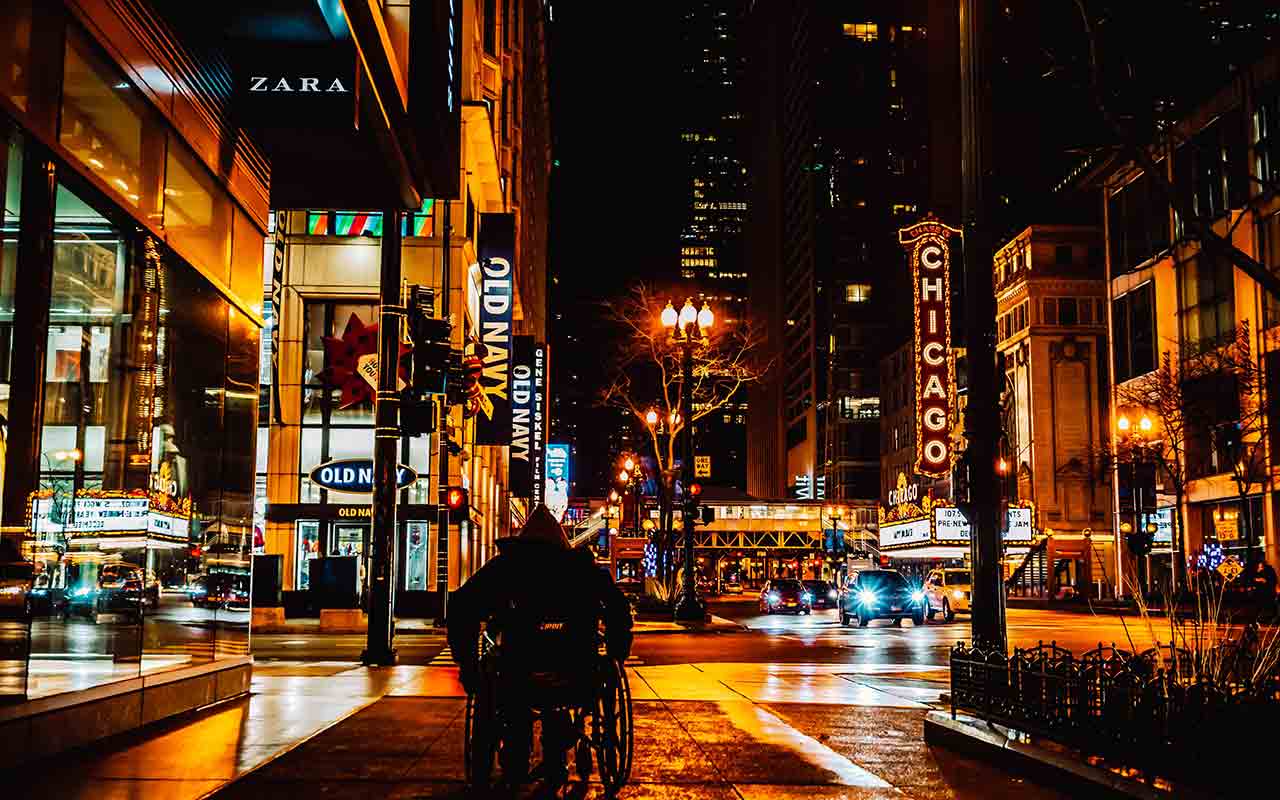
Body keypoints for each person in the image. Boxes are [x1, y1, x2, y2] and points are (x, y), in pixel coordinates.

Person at [448, 505, 633, 787]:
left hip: (517, 668)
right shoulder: (583, 571)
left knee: (509, 698)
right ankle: (555, 750)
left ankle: (517, 757)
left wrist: (468, 664)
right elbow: (618, 609)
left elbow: (462, 605)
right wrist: (617, 653)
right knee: (560, 694)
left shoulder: (507, 569)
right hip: (576, 668)